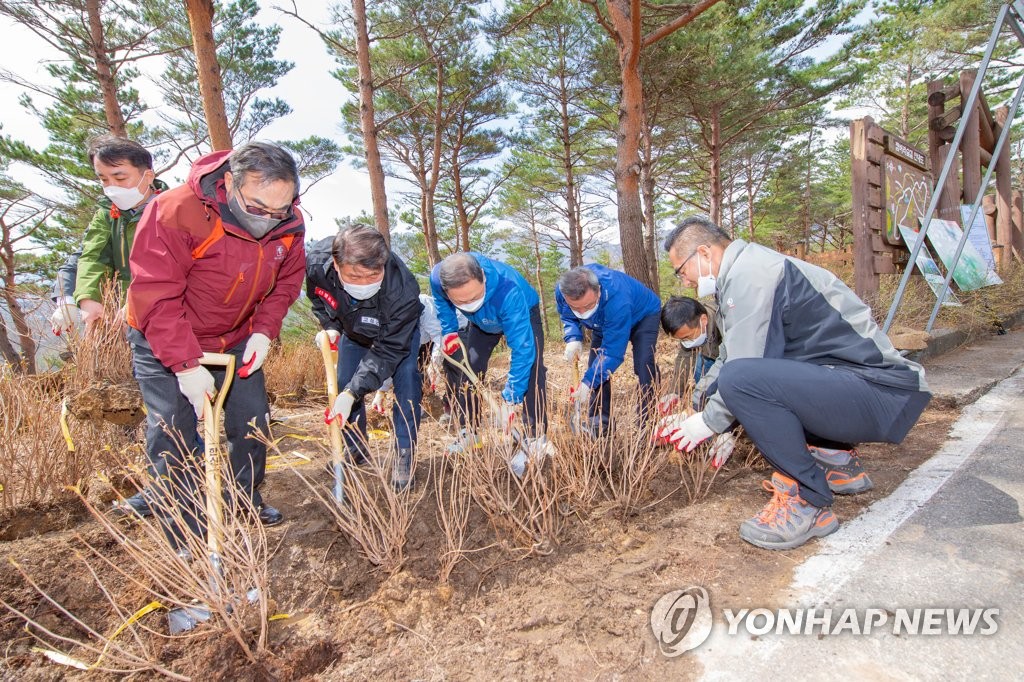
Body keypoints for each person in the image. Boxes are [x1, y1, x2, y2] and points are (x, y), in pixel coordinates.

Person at [657, 216, 931, 551]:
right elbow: (731, 353)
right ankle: (837, 463)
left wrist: (710, 423)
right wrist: (697, 405)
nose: (684, 281)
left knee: (743, 380)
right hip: (867, 390)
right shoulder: (748, 271)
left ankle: (807, 498)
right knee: (764, 372)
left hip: (879, 391)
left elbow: (743, 368)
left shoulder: (751, 277)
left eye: (681, 270)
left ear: (704, 252)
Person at [126, 141, 306, 556]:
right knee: (174, 428)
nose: (270, 220)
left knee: (252, 421)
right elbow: (156, 295)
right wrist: (185, 365)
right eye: (258, 208)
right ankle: (186, 532)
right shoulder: (175, 211)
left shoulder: (288, 220)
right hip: (165, 337)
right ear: (229, 183)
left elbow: (287, 282)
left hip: (237, 336)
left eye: (281, 209)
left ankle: (244, 499)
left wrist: (264, 330)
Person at [306, 224, 423, 490]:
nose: (365, 283)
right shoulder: (317, 264)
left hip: (396, 334)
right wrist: (331, 326)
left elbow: (389, 350)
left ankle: (405, 453)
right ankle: (356, 446)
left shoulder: (403, 290)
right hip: (353, 331)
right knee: (346, 380)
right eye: (355, 276)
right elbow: (318, 299)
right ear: (336, 264)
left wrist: (352, 393)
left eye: (373, 275)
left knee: (407, 384)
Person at [430, 252, 549, 466]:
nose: (469, 303)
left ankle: (536, 435)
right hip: (481, 322)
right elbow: (441, 304)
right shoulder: (438, 279)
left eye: (474, 297)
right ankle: (470, 431)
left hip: (519, 311)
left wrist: (510, 399)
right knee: (470, 369)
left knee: (533, 369)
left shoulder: (508, 290)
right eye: (461, 301)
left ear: (482, 277)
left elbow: (522, 350)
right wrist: (449, 331)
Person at [50, 136, 169, 336]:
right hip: (115, 322)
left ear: (148, 176)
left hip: (163, 322)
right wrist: (72, 299)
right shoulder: (107, 214)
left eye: (120, 178)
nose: (111, 186)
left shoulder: (172, 212)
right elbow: (87, 257)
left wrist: (137, 302)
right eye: (103, 179)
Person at [555, 264, 661, 434]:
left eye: (588, 306)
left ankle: (648, 422)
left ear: (598, 291)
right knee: (595, 366)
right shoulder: (563, 291)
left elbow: (612, 352)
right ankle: (599, 424)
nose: (582, 312)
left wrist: (587, 383)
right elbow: (567, 315)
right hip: (603, 322)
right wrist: (573, 337)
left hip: (643, 315)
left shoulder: (617, 298)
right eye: (577, 308)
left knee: (644, 364)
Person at [658, 296, 721, 413]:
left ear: (703, 320)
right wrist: (675, 392)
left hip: (733, 363)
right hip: (712, 357)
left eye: (687, 337)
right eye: (681, 339)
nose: (686, 342)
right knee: (700, 369)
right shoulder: (691, 326)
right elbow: (684, 358)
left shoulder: (723, 322)